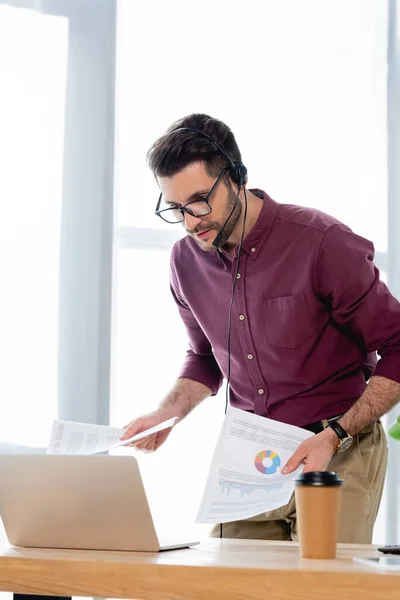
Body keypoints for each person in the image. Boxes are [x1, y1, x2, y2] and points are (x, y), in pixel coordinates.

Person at [120, 113, 400, 544]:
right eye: (176, 209)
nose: (192, 222)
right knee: (231, 586)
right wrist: (167, 413)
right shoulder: (185, 261)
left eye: (199, 200)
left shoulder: (321, 242)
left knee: (321, 592)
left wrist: (338, 433)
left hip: (337, 444)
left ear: (236, 178)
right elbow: (203, 357)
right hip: (251, 456)